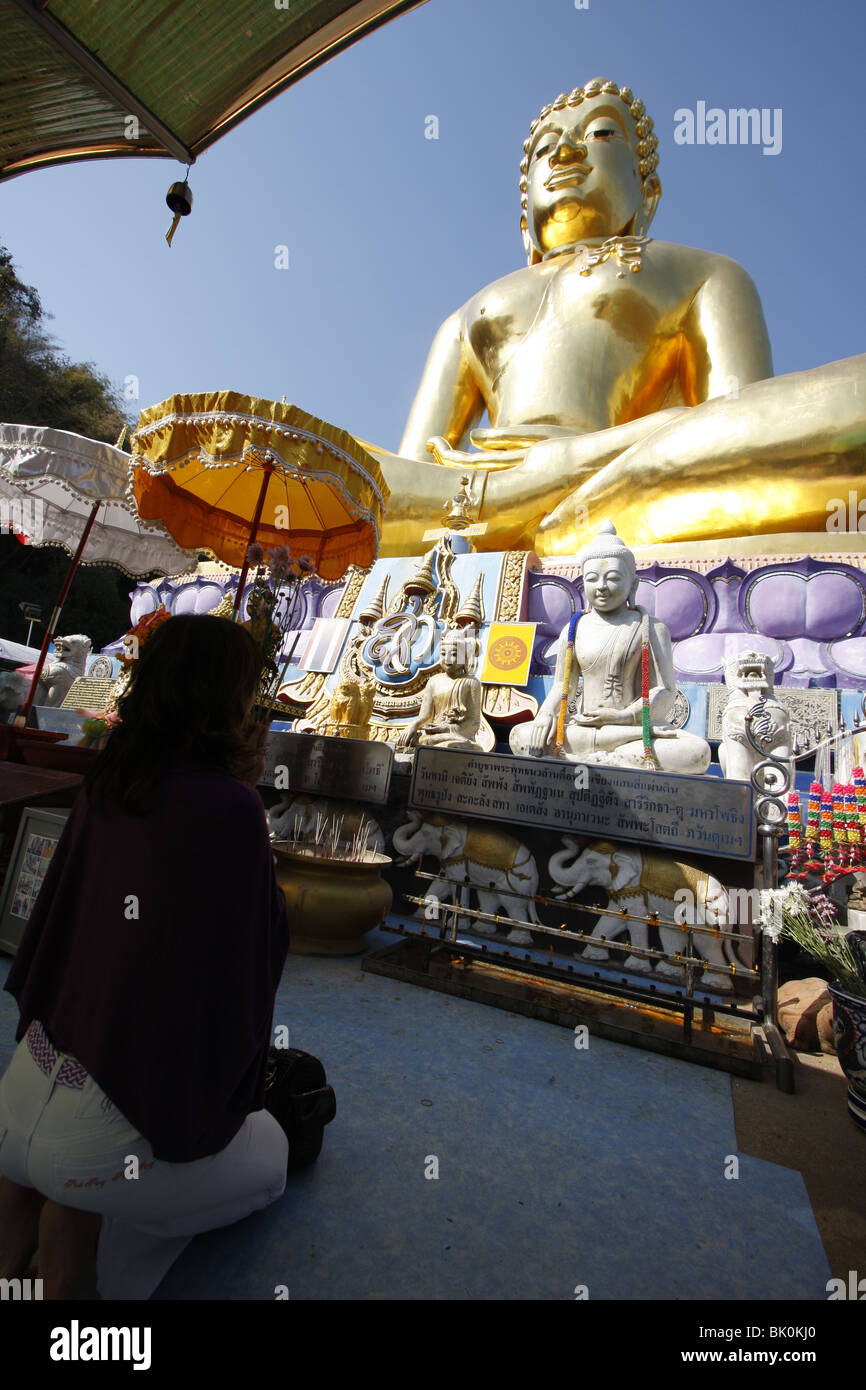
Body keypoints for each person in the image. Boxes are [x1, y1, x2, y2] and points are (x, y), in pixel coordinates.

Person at [369, 77, 865, 557]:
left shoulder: (703, 272)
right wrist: (502, 488)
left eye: (601, 133)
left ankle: (540, 514)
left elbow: (738, 427)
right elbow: (402, 480)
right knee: (317, 461)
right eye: (545, 147)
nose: (565, 152)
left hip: (640, 473)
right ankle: (522, 509)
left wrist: (574, 460)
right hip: (481, 489)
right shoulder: (466, 315)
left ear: (646, 191)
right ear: (526, 226)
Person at [0, 615, 290, 1299]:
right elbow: (248, 964)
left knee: (61, 1174)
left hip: (21, 1098)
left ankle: (25, 1271)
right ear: (226, 697)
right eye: (250, 689)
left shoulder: (108, 781)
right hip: (102, 1133)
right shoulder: (229, 808)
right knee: (269, 1152)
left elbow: (62, 929)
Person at [509, 522, 710, 772]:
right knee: (521, 737)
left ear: (633, 585)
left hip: (633, 730)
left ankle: (599, 756)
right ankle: (613, 758)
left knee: (696, 753)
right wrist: (546, 716)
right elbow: (563, 685)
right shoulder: (574, 628)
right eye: (592, 579)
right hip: (582, 728)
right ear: (583, 585)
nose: (602, 586)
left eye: (613, 578)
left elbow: (666, 691)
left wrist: (623, 717)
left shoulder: (651, 627)